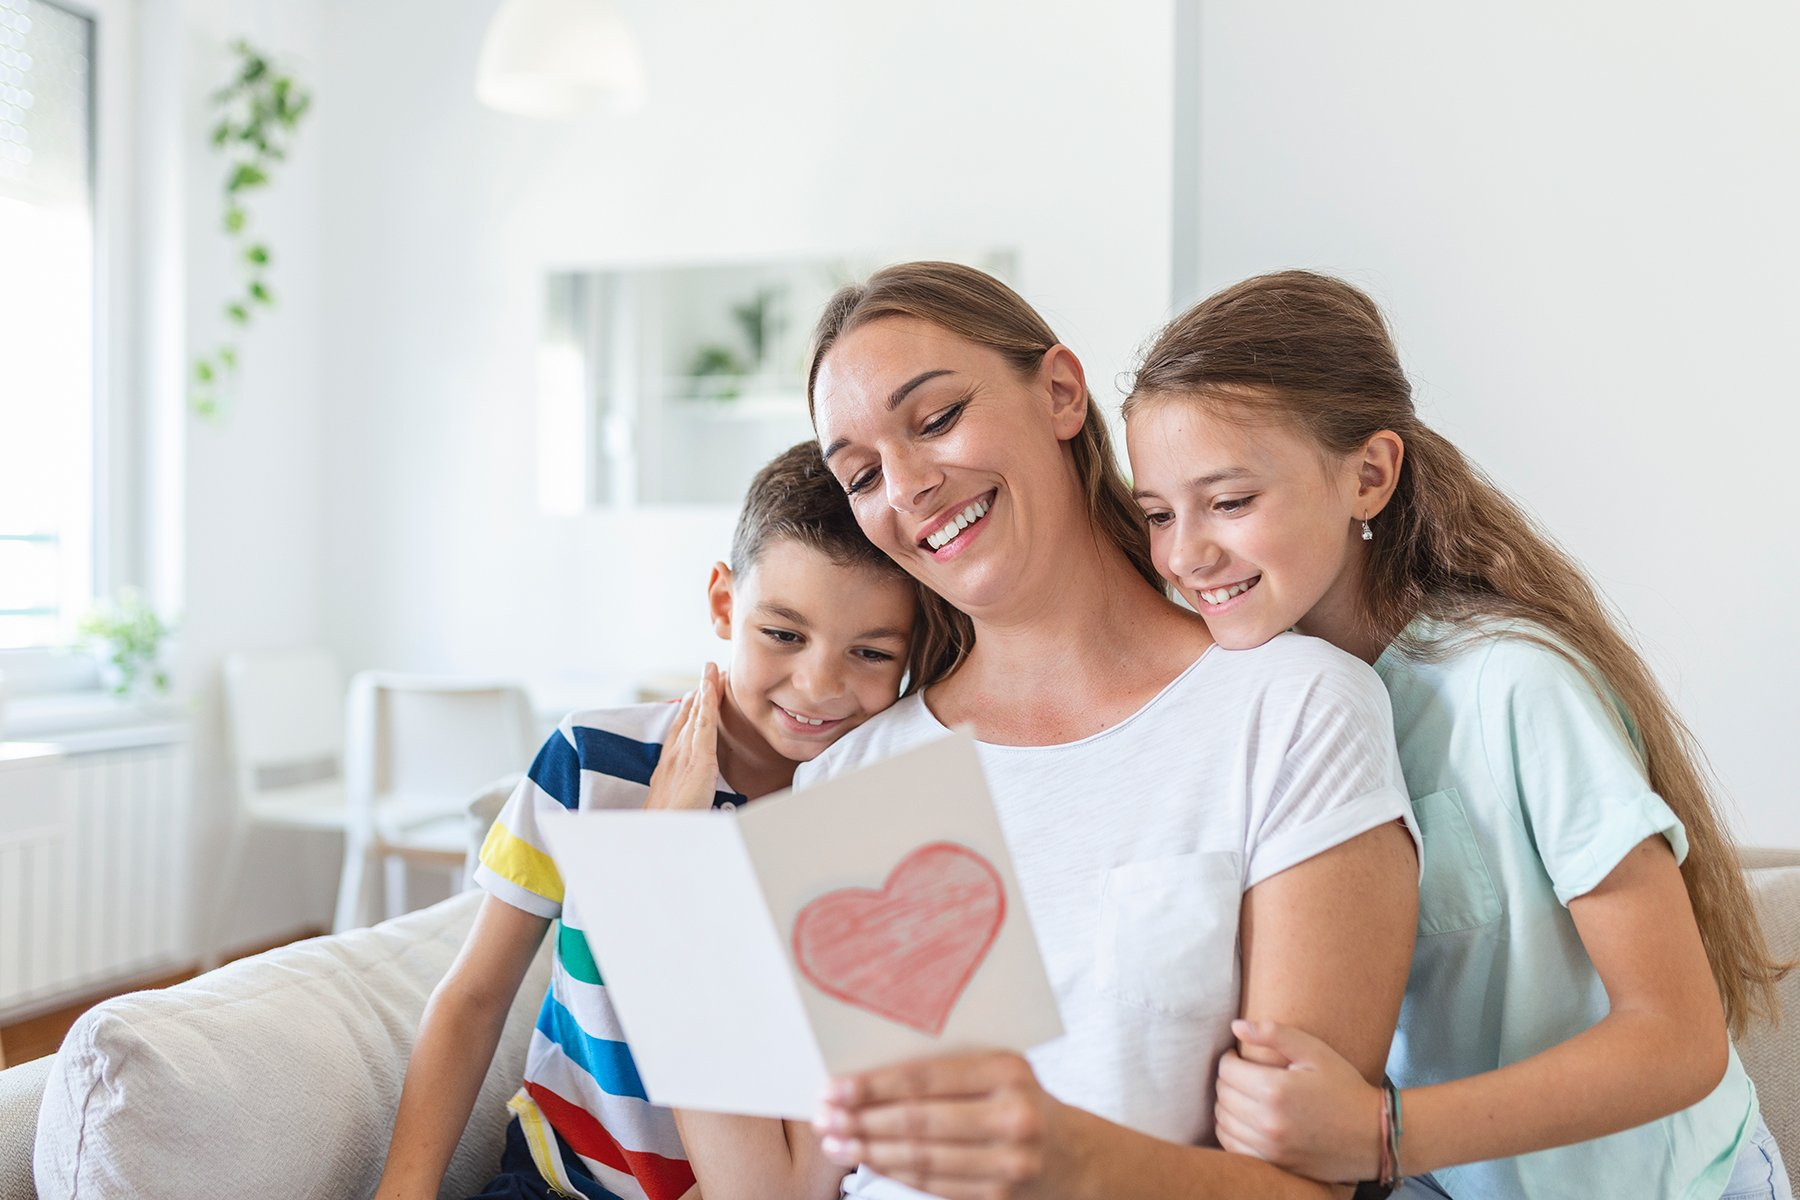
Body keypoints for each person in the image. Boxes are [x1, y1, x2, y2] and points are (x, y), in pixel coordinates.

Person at [656, 261, 1422, 1200]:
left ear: (1061, 393)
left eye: (935, 420)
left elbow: (1310, 1188)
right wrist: (665, 874)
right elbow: (782, 1192)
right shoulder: (860, 777)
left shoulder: (1291, 710)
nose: (906, 487)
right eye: (859, 475)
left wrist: (1073, 1162)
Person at [1122, 270, 1792, 1199]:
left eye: (1230, 502)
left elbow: (1678, 1040)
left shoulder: (1511, 685)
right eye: (1158, 514)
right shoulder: (1256, 703)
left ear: (1369, 476)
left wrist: (1383, 1136)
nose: (1184, 554)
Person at [372, 441, 947, 1200]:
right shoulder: (590, 761)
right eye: (783, 633)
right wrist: (402, 1191)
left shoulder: (867, 827)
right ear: (722, 603)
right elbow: (475, 998)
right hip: (554, 1184)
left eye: (871, 653)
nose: (819, 684)